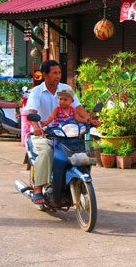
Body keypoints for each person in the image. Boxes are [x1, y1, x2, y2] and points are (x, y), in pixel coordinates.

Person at [25, 60, 95, 204]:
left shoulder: (65, 88)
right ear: (45, 75)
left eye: (59, 73)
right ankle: (37, 189)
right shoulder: (37, 92)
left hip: (67, 133)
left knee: (82, 151)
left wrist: (89, 119)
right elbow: (31, 112)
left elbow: (78, 107)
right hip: (45, 133)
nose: (58, 76)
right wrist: (37, 127)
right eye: (54, 73)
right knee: (46, 152)